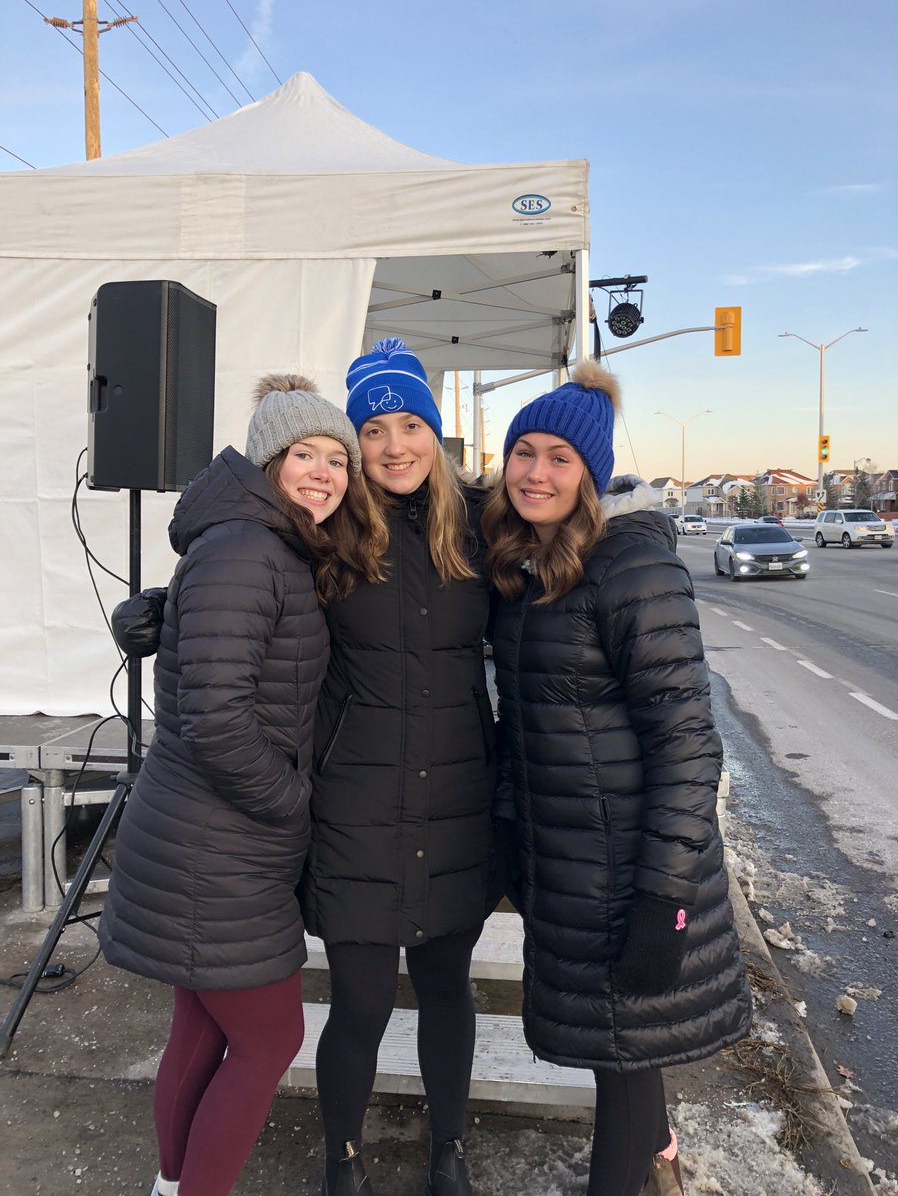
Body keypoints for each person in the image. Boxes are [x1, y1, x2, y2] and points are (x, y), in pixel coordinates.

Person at [99, 375, 386, 1196]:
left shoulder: (263, 544)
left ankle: (172, 1184)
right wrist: (288, 802)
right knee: (267, 1042)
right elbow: (219, 719)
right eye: (306, 454)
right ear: (268, 462)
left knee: (199, 1027)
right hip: (220, 842)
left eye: (338, 458)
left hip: (205, 835)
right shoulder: (250, 549)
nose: (325, 472)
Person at [482, 360, 752, 1196]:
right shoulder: (521, 569)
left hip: (631, 877)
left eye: (559, 458)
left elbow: (688, 744)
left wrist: (663, 898)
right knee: (620, 1049)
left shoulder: (631, 570)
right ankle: (659, 1136)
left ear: (590, 476)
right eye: (523, 452)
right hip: (568, 868)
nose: (535, 472)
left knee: (623, 1059)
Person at [301, 338, 496, 1196]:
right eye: (373, 428)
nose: (393, 445)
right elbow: (242, 567)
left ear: (436, 432)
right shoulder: (324, 533)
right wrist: (164, 606)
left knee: (448, 990)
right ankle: (342, 1158)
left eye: (410, 423)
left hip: (457, 800)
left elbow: (576, 552)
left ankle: (447, 1148)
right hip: (358, 806)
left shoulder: (483, 530)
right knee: (363, 1001)